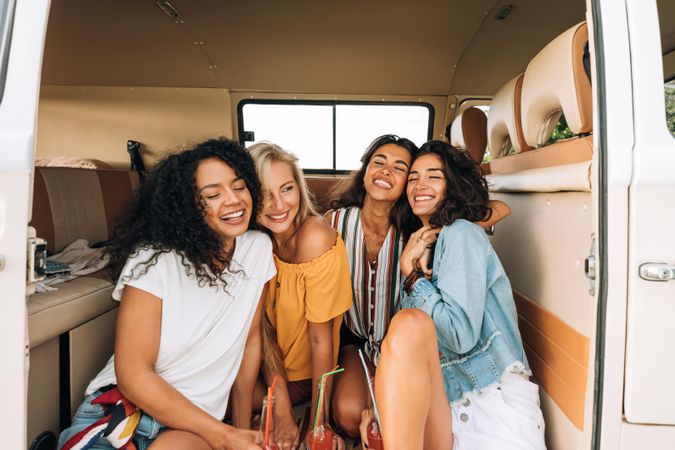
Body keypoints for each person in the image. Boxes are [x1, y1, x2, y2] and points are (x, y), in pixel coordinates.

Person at [58, 138, 275, 450]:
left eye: (239, 187)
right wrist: (225, 436)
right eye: (212, 195)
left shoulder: (257, 249)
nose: (233, 201)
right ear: (187, 205)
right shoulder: (154, 261)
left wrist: (238, 431)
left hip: (194, 427)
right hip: (126, 411)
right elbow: (133, 376)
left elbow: (249, 343)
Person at [326, 135, 512, 437]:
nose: (386, 172)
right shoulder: (333, 223)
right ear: (365, 173)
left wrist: (437, 228)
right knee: (348, 416)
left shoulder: (418, 226)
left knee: (389, 422)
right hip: (358, 342)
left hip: (405, 347)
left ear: (406, 186)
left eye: (400, 168)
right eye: (379, 163)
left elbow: (501, 208)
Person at [368, 140, 546, 450]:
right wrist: (384, 405)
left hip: (490, 399)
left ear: (453, 185)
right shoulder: (421, 246)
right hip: (448, 404)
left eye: (433, 176)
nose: (419, 185)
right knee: (409, 325)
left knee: (410, 322)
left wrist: (411, 276)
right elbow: (410, 351)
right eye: (413, 178)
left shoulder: (461, 233)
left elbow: (459, 335)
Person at [248, 142, 352, 450]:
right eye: (264, 193)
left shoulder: (315, 238)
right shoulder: (255, 242)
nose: (277, 204)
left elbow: (322, 342)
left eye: (286, 189)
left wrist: (319, 422)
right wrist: (279, 409)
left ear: (300, 189)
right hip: (268, 367)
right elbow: (262, 333)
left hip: (307, 374)